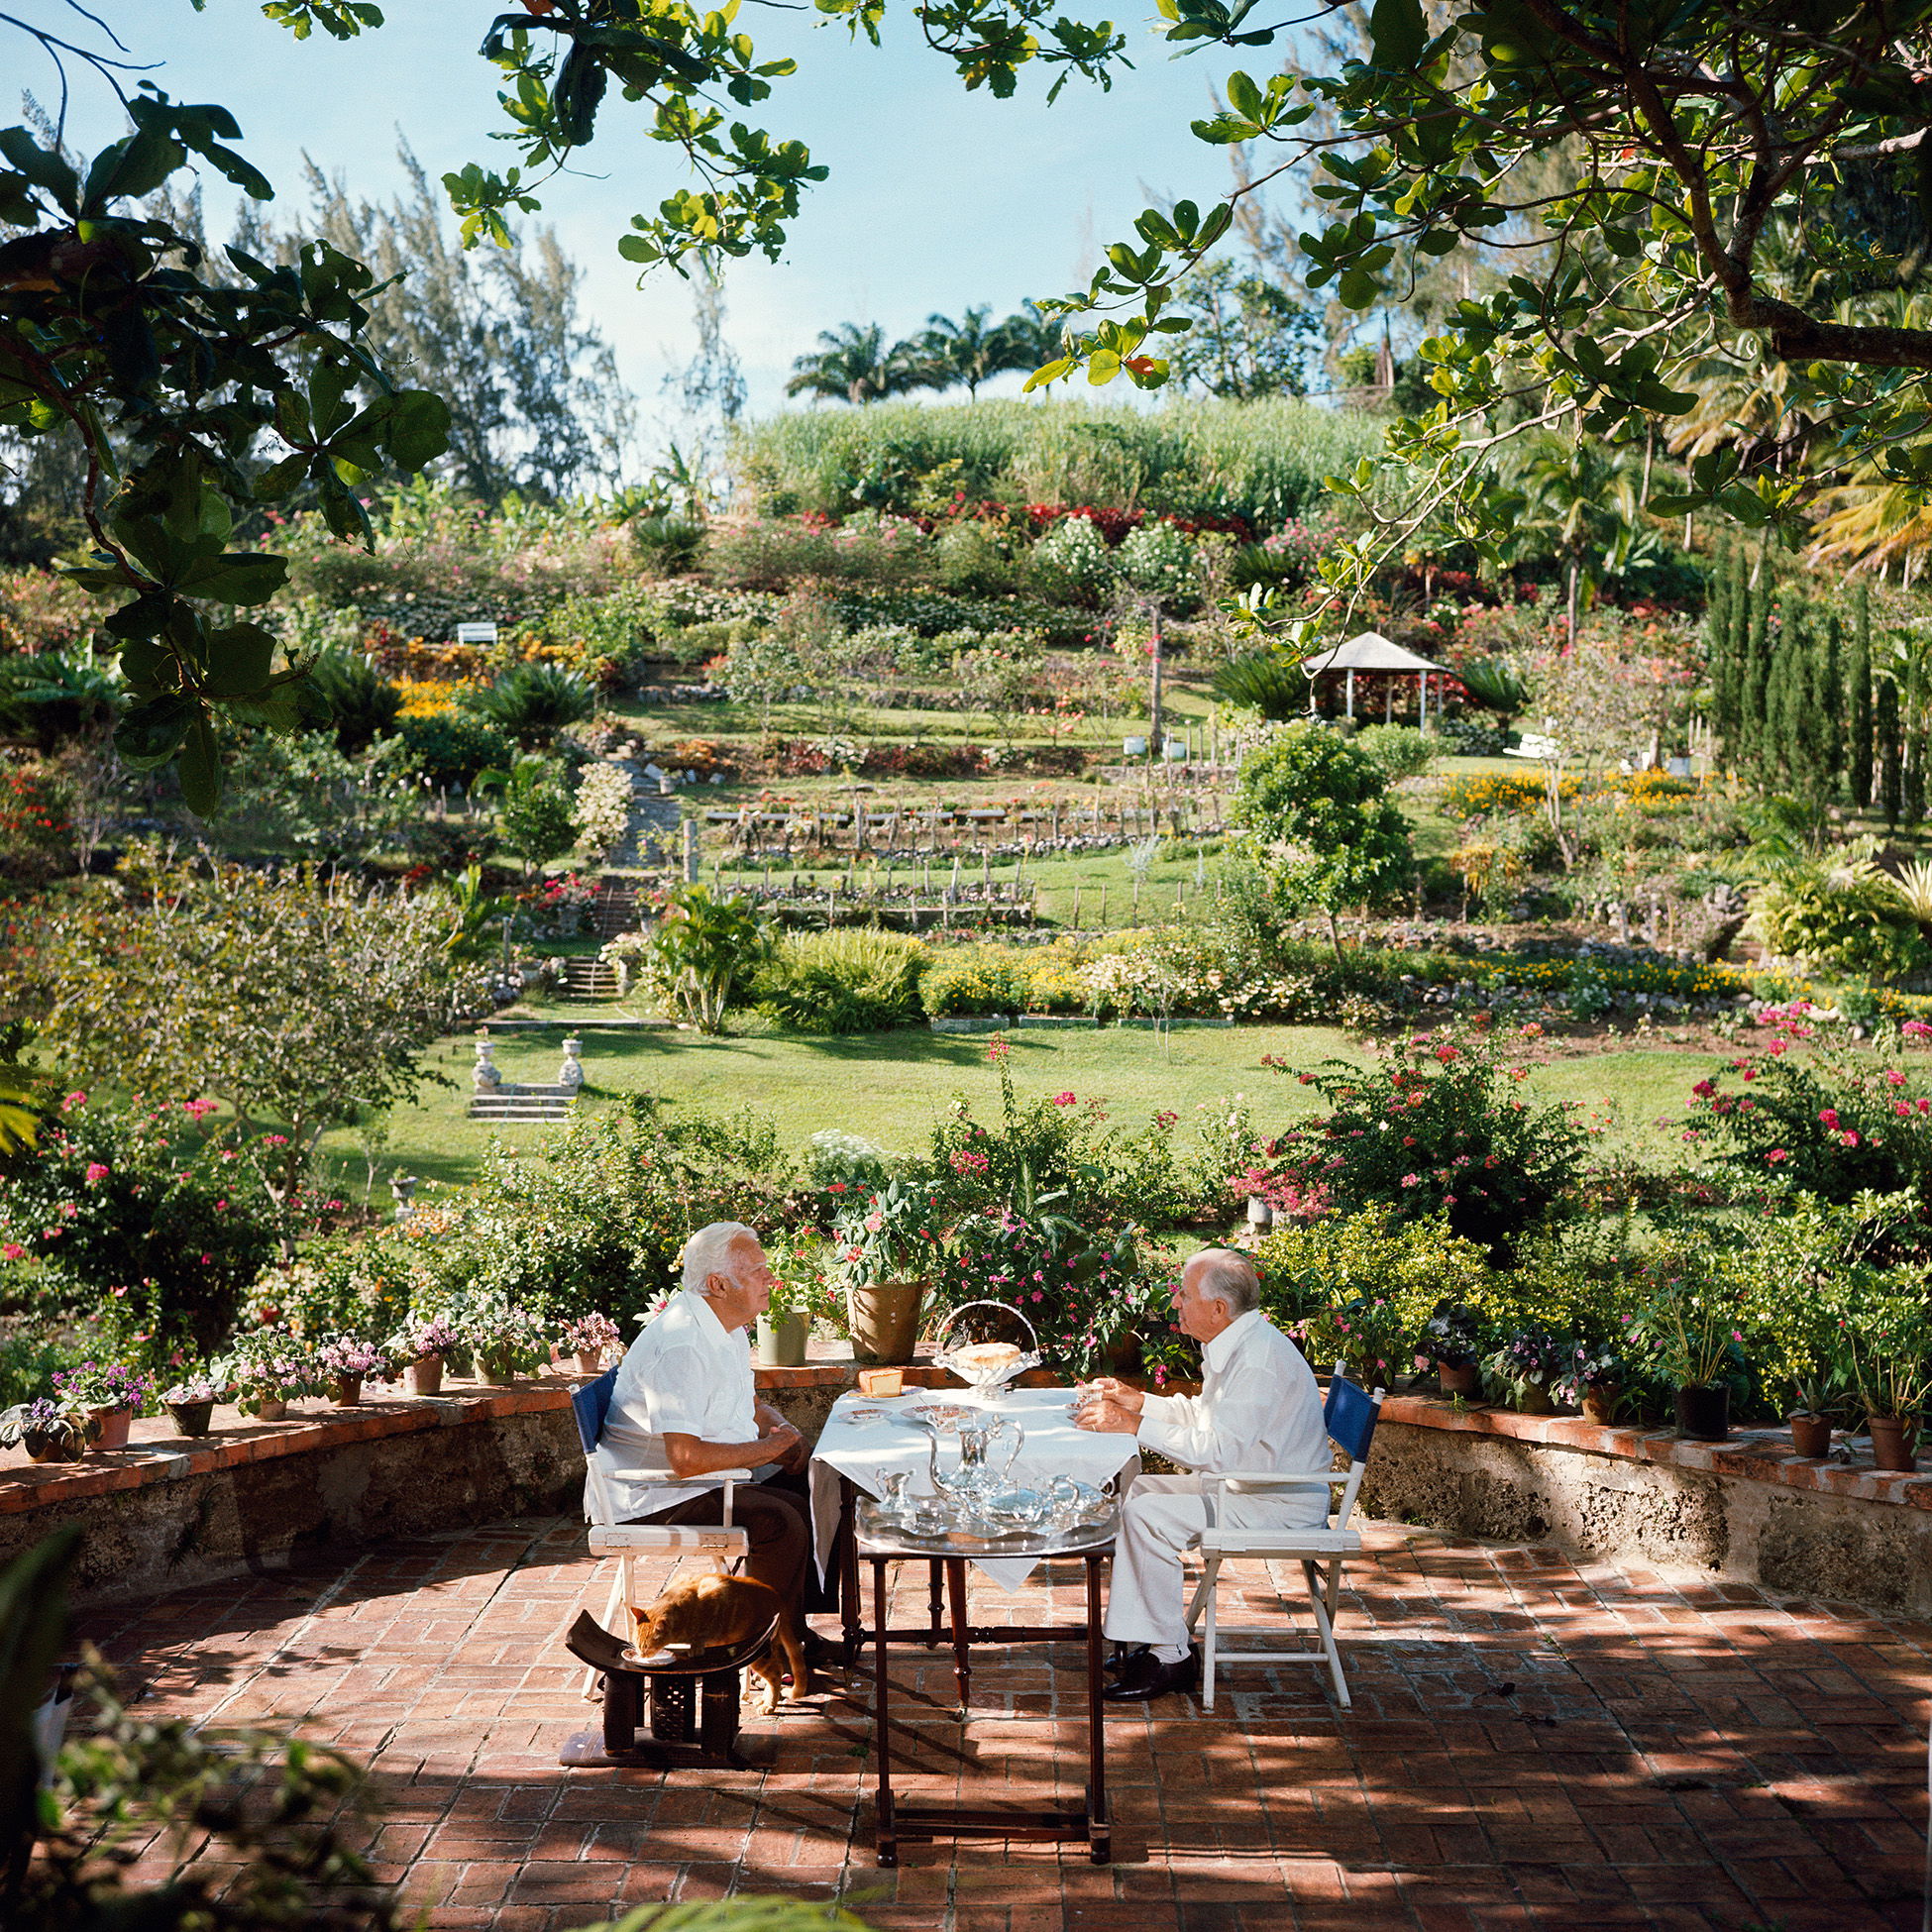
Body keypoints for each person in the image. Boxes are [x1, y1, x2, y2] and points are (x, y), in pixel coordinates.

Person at [1075, 1246, 1330, 1701]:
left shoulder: (1256, 1361)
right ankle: (1161, 1639)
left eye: (1184, 1294)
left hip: (1279, 1501)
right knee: (1140, 1489)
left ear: (1218, 1308)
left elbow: (1216, 1450)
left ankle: (1171, 1659)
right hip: (1254, 1485)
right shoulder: (1240, 1341)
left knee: (1147, 1515)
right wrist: (1138, 1402)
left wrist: (1134, 1425)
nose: (1175, 1303)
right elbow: (1208, 1418)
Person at [593, 1221, 832, 1632]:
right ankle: (754, 1646)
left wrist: (781, 1432)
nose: (769, 1278)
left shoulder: (726, 1327)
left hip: (699, 1481)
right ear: (718, 1284)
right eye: (756, 1270)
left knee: (822, 1489)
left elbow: (751, 1404)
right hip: (653, 1495)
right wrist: (769, 1449)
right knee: (780, 1520)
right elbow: (685, 1460)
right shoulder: (682, 1343)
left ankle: (794, 1638)